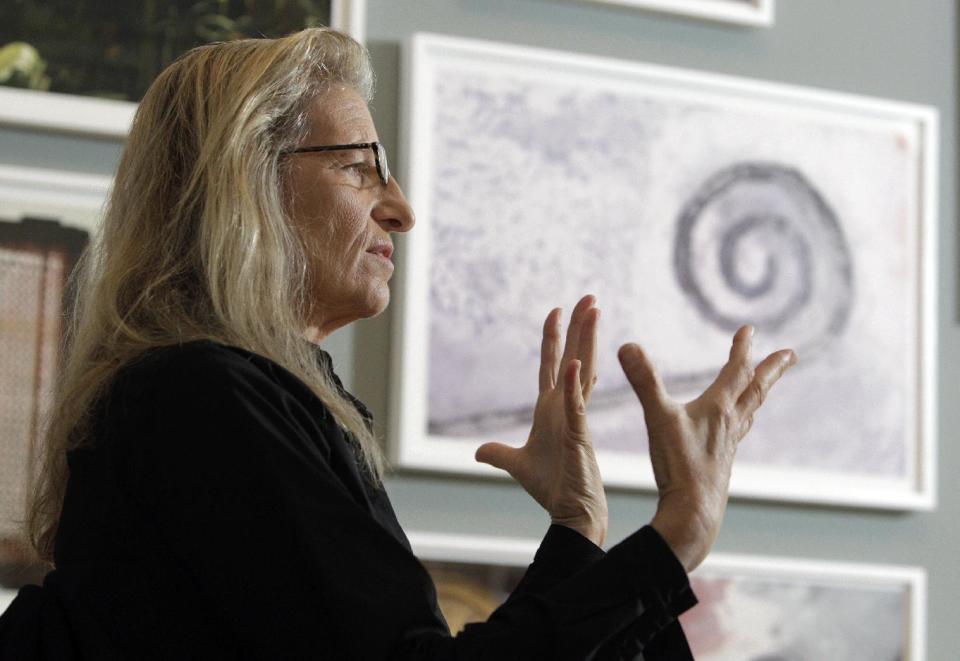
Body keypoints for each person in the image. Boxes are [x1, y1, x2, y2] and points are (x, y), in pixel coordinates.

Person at [0, 27, 796, 660]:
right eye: (359, 168)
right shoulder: (200, 395)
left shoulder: (240, 396)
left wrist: (578, 523)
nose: (402, 208)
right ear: (243, 180)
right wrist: (677, 534)